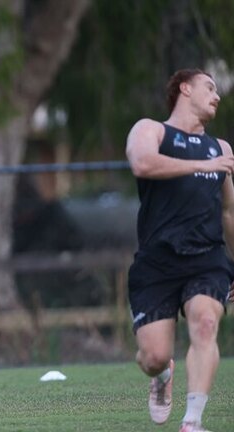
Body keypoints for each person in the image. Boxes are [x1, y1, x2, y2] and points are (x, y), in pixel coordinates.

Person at [126, 68, 234, 432]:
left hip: (207, 258)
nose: (217, 95)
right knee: (154, 356)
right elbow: (142, 162)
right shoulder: (150, 130)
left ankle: (192, 421)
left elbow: (229, 211)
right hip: (157, 261)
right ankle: (162, 375)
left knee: (205, 324)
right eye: (210, 87)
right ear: (184, 89)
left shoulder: (220, 149)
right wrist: (202, 166)